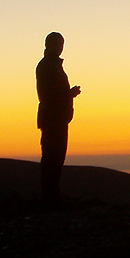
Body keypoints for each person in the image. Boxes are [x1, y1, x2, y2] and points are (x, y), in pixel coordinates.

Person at [37, 31, 80, 206]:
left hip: (58, 119)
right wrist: (69, 94)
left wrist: (68, 96)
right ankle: (50, 198)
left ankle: (52, 196)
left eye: (61, 44)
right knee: (52, 158)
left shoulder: (53, 65)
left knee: (55, 158)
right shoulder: (47, 66)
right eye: (57, 44)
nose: (60, 48)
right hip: (52, 120)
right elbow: (48, 95)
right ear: (49, 45)